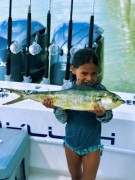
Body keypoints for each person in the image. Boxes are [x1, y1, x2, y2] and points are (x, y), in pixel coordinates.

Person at [42, 48, 113, 180]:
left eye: (94, 73)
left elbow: (108, 117)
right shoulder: (66, 89)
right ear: (73, 70)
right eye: (84, 73)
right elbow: (63, 119)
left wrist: (102, 115)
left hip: (92, 147)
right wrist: (56, 108)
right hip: (70, 144)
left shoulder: (101, 91)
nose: (89, 78)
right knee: (75, 177)